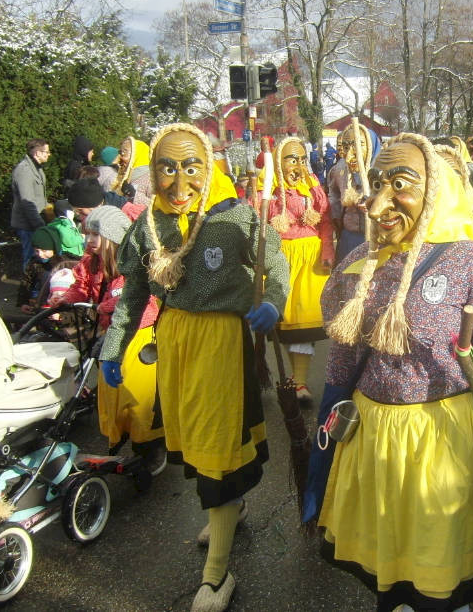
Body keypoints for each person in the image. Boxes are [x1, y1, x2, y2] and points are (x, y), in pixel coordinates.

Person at [318, 133, 473, 610]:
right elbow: (342, 363)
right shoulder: (358, 263)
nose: (376, 205)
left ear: (434, 190)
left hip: (441, 442)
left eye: (399, 185)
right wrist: (327, 431)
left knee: (439, 572)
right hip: (374, 440)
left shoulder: (470, 262)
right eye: (376, 185)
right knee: (389, 567)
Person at [99, 123, 287, 612]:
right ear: (152, 172)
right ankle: (231, 508)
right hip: (174, 344)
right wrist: (113, 349)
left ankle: (216, 575)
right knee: (196, 441)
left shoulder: (234, 216)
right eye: (167, 168)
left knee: (218, 445)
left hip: (221, 344)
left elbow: (276, 264)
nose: (179, 183)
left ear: (208, 167)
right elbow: (132, 295)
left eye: (191, 167)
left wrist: (274, 301)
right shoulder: (147, 226)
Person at [61, 205, 165, 470]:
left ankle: (151, 446)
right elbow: (80, 286)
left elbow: (143, 303)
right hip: (111, 336)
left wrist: (105, 306)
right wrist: (65, 299)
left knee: (139, 398)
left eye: (96, 235)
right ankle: (121, 437)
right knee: (114, 396)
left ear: (114, 236)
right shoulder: (91, 264)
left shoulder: (134, 265)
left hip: (138, 337)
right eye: (87, 234)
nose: (89, 240)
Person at [259, 137, 334, 405]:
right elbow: (258, 220)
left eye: (302, 159)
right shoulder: (267, 186)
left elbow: (325, 221)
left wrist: (327, 251)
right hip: (281, 259)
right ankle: (295, 379)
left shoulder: (312, 186)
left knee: (304, 325)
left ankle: (300, 382)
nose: (299, 165)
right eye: (292, 159)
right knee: (286, 325)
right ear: (279, 162)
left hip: (310, 260)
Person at [326, 122, 379, 263]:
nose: (349, 155)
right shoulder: (340, 169)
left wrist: (374, 204)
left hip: (378, 239)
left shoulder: (384, 171)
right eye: (346, 147)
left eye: (357, 146)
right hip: (349, 239)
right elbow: (333, 193)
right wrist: (335, 212)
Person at [10, 139, 50, 271]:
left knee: (39, 259)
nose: (49, 154)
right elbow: (27, 202)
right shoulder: (24, 170)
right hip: (28, 225)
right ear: (37, 153)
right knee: (30, 259)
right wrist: (40, 226)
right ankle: (29, 283)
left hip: (35, 222)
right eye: (46, 152)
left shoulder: (36, 168)